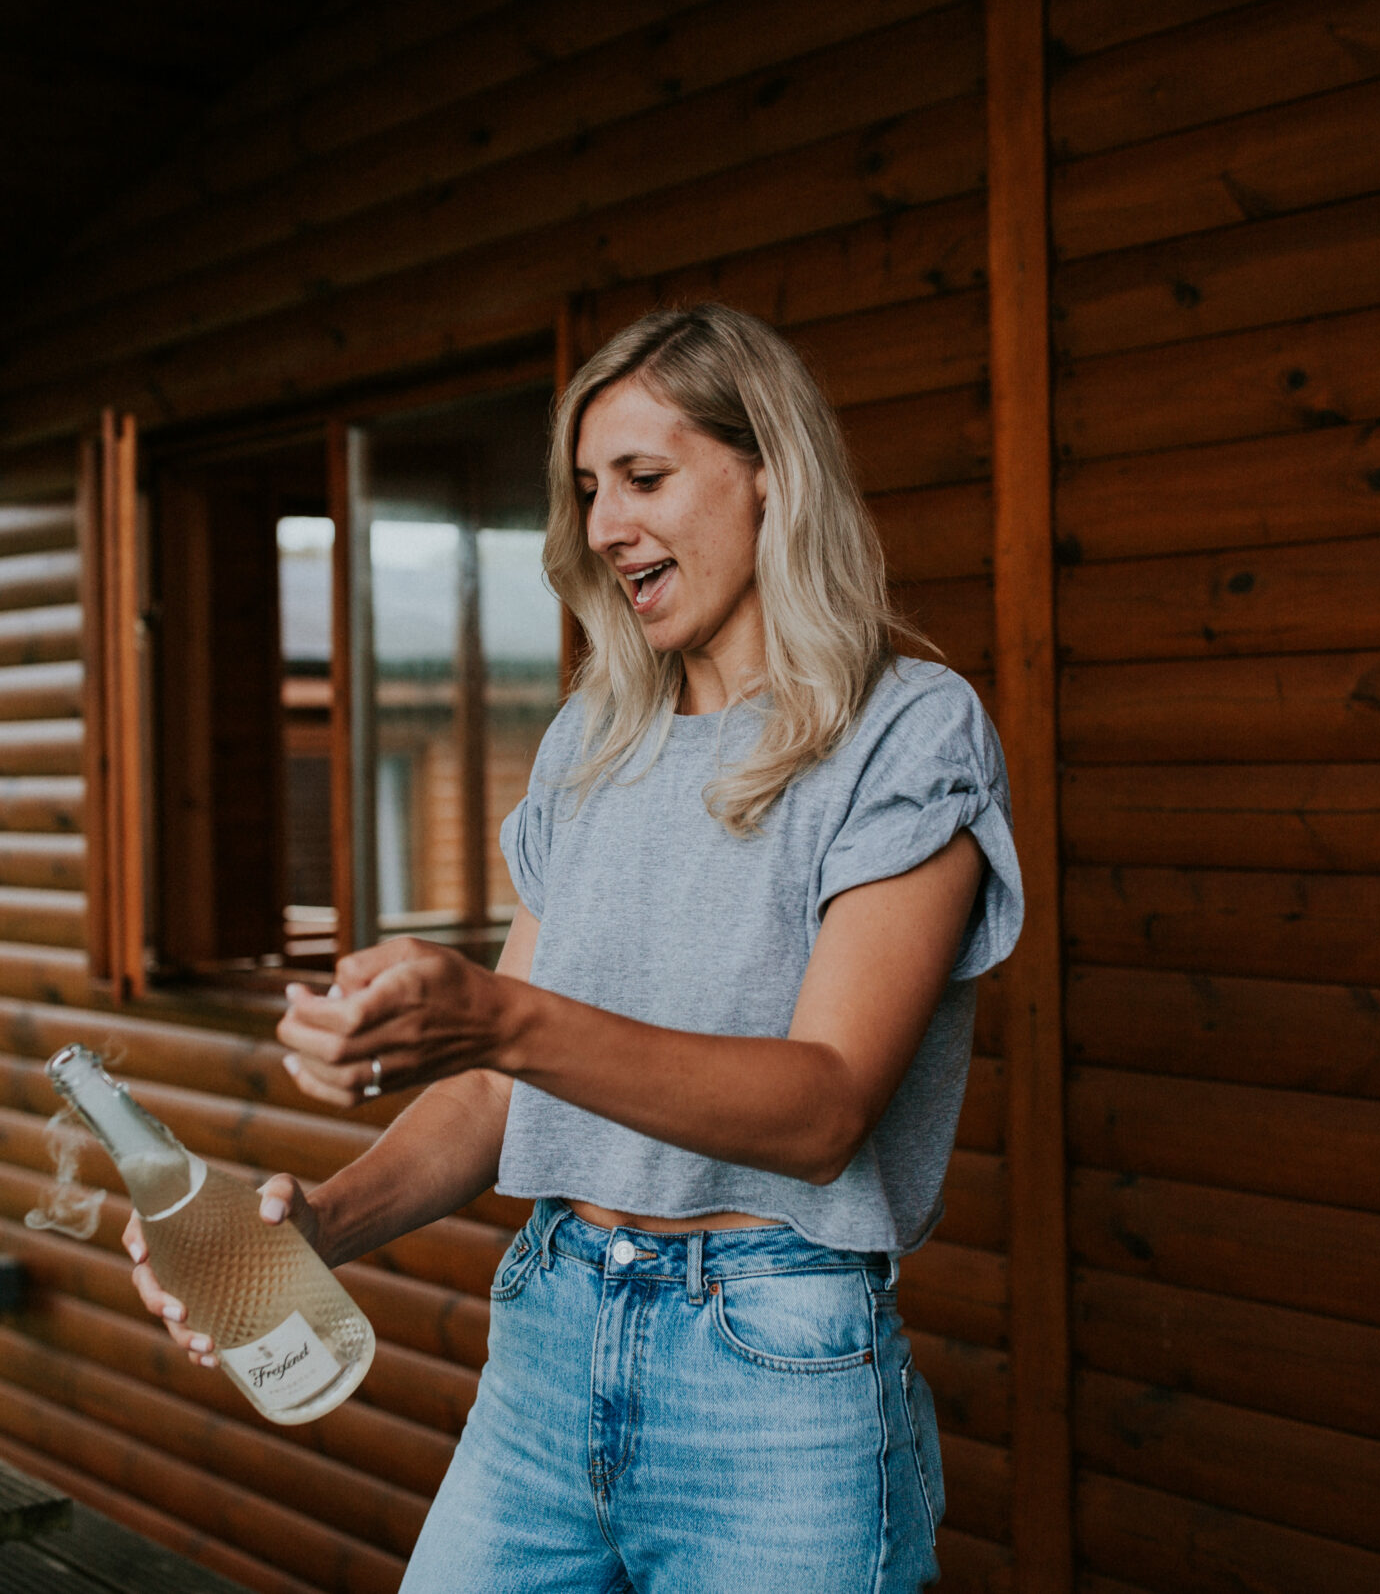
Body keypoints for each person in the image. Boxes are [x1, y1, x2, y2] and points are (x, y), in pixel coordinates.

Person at [127, 302, 1021, 1592]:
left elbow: (825, 1106)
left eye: (645, 479)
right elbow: (496, 1091)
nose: (605, 525)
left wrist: (500, 1017)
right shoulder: (593, 741)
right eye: (591, 489)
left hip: (772, 1371)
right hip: (549, 1333)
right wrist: (320, 1225)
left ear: (771, 474)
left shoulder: (908, 732)